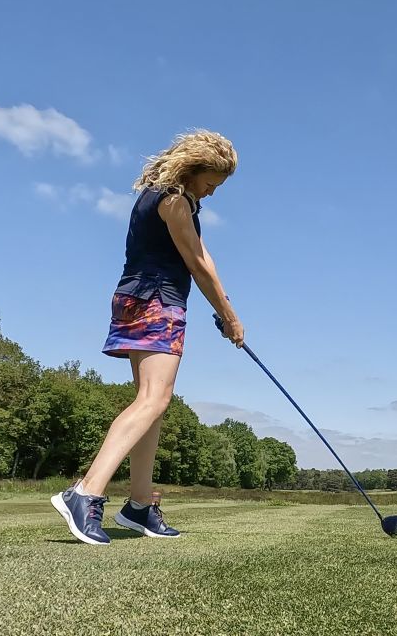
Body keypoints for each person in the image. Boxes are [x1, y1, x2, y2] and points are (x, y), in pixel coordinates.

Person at [52, 129, 245, 545]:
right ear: (192, 171)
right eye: (210, 184)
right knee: (153, 399)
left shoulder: (172, 198)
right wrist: (228, 315)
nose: (212, 193)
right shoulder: (174, 202)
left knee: (154, 403)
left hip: (135, 298)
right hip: (158, 301)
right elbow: (196, 263)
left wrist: (224, 307)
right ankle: (85, 493)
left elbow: (202, 255)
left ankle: (139, 504)